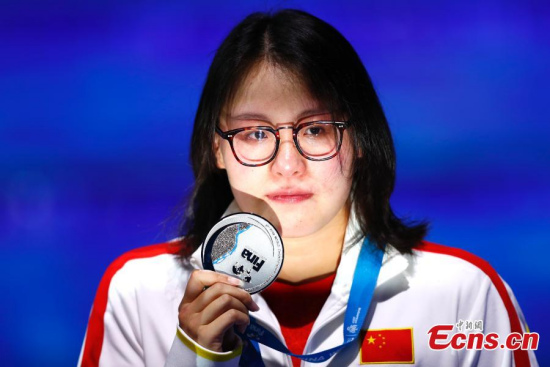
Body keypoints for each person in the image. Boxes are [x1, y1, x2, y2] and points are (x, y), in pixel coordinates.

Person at [78, 9, 538, 367]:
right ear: (215, 149)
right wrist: (194, 356)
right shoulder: (138, 290)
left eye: (315, 129)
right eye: (255, 134)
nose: (287, 164)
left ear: (360, 139)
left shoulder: (463, 292)